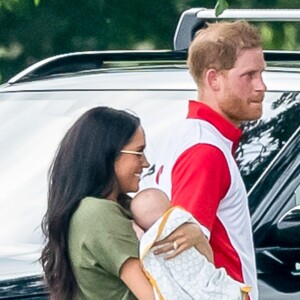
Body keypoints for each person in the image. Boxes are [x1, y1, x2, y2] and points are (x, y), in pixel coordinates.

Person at [40, 106, 211, 300]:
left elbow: (202, 273)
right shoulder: (97, 213)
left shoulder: (124, 209)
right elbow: (155, 295)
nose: (145, 163)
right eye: (139, 152)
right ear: (107, 154)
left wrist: (196, 235)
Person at [154, 21, 266, 300]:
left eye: (262, 73)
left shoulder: (185, 135)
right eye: (249, 75)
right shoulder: (206, 150)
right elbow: (180, 254)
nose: (262, 86)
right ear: (214, 79)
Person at [130, 188, 251, 300]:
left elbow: (158, 273)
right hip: (208, 282)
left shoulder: (148, 242)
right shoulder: (183, 221)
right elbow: (208, 258)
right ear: (170, 205)